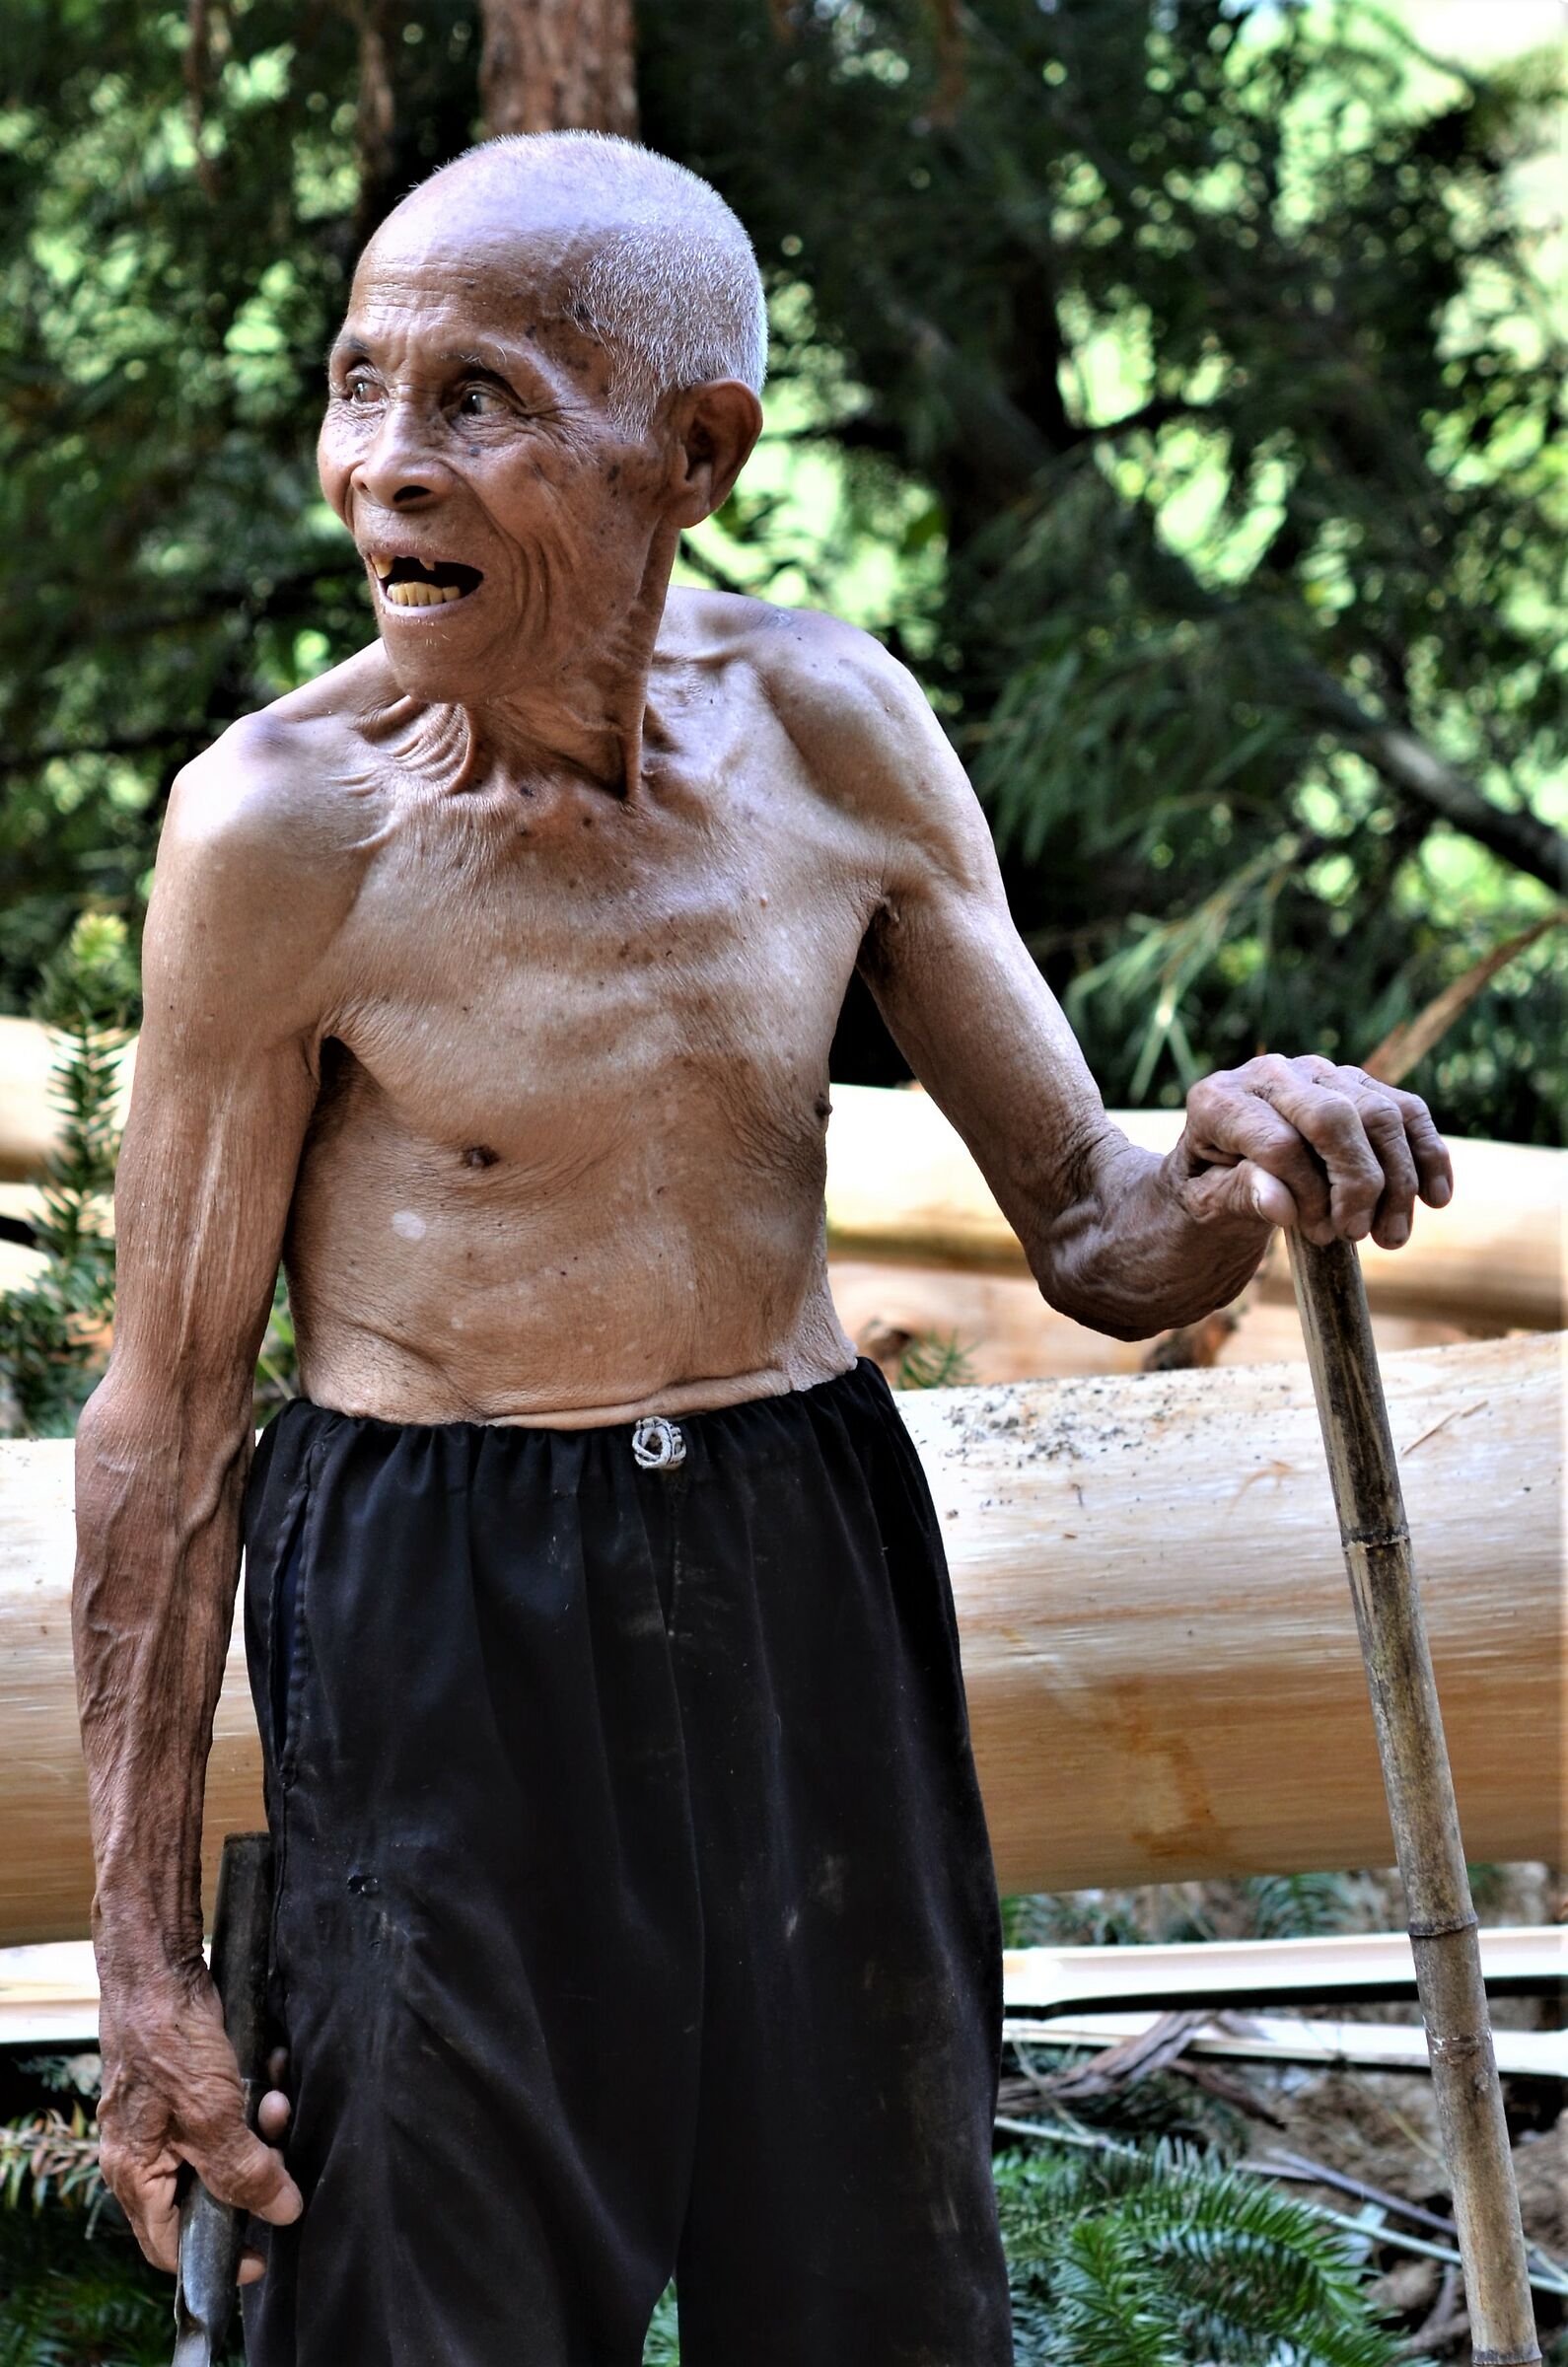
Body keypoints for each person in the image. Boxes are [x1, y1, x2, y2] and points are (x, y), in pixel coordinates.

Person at [71, 131, 1454, 2367]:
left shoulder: (830, 731)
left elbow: (1101, 1233)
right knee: (432, 2302)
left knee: (879, 2286)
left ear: (690, 451)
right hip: (442, 1599)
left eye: (478, 402)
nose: (381, 470)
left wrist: (1244, 1156)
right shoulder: (278, 834)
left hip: (801, 1551)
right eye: (356, 387)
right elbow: (163, 1414)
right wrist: (145, 1972)